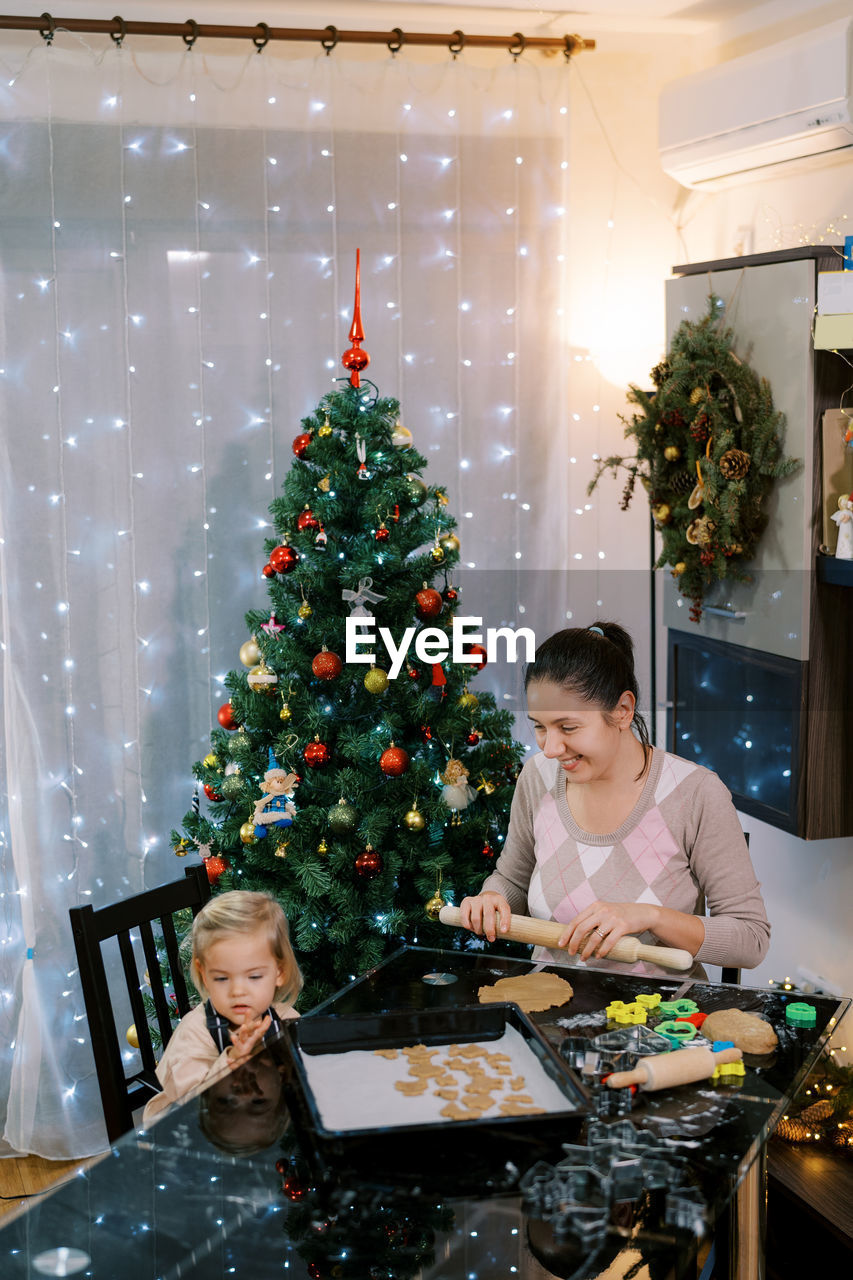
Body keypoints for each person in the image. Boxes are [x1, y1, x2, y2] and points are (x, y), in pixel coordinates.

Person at [459, 622, 770, 972]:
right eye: (540, 727)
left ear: (622, 710)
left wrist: (650, 916)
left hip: (658, 1019)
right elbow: (513, 879)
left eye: (569, 727)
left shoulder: (695, 794)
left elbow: (751, 939)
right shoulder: (538, 777)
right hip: (548, 1007)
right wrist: (492, 898)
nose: (551, 749)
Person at [142, 889, 302, 1125]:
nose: (238, 991)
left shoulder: (286, 1018)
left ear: (279, 972)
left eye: (254, 976)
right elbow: (195, 1108)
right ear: (204, 975)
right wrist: (234, 1060)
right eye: (222, 978)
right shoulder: (194, 1032)